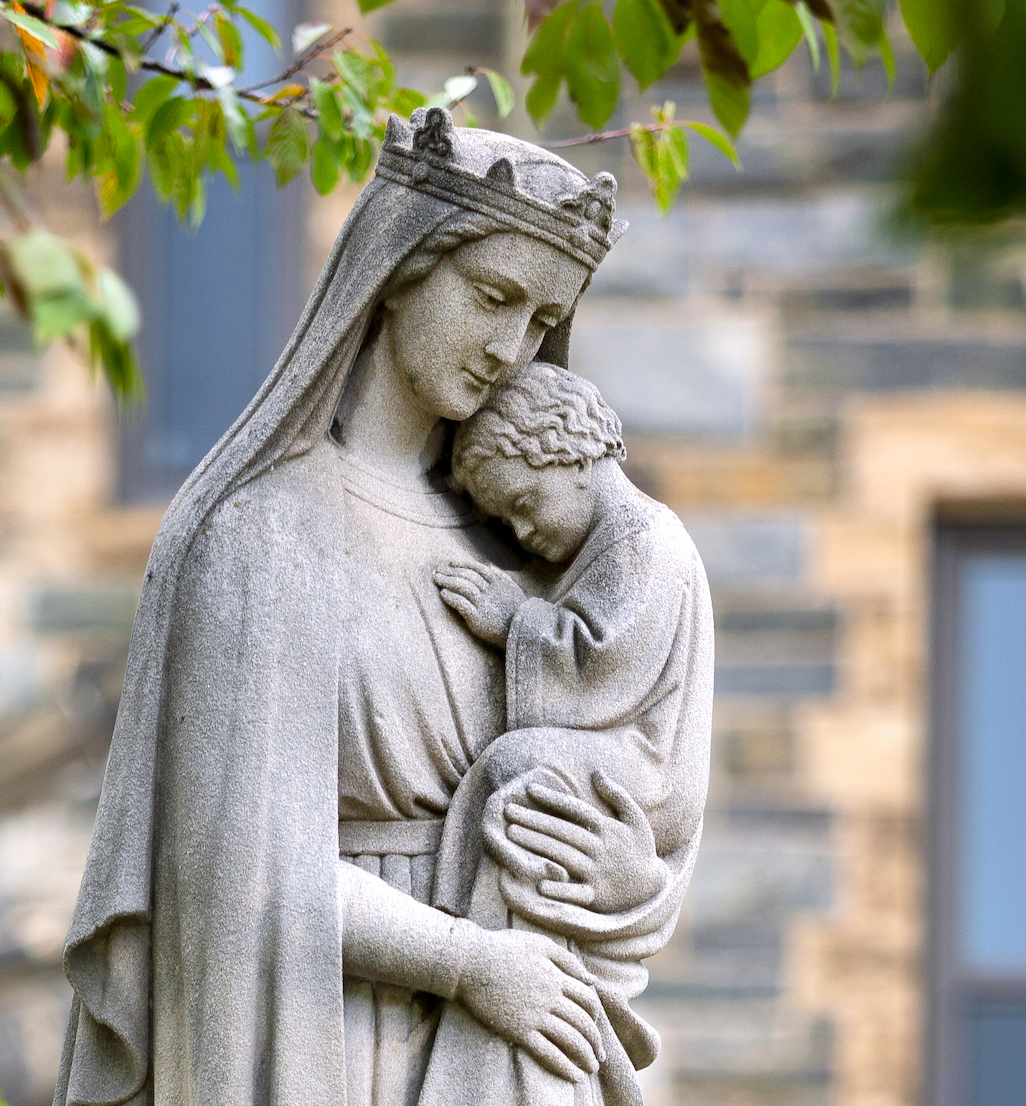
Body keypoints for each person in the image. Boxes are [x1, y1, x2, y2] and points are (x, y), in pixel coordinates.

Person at [55, 110, 712, 1106]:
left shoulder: (523, 539)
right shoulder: (266, 531)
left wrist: (625, 879)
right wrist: (469, 962)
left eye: (541, 319)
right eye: (492, 295)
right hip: (333, 1040)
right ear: (403, 266)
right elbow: (236, 875)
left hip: (529, 1051)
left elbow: (633, 771)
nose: (509, 346)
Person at [422, 360, 716, 1104]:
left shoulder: (641, 540)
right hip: (618, 761)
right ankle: (487, 945)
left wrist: (510, 619)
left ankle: (500, 950)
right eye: (504, 523)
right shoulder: (603, 546)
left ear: (569, 453)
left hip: (641, 775)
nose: (521, 531)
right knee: (516, 763)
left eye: (523, 503)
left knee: (520, 761)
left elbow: (599, 663)